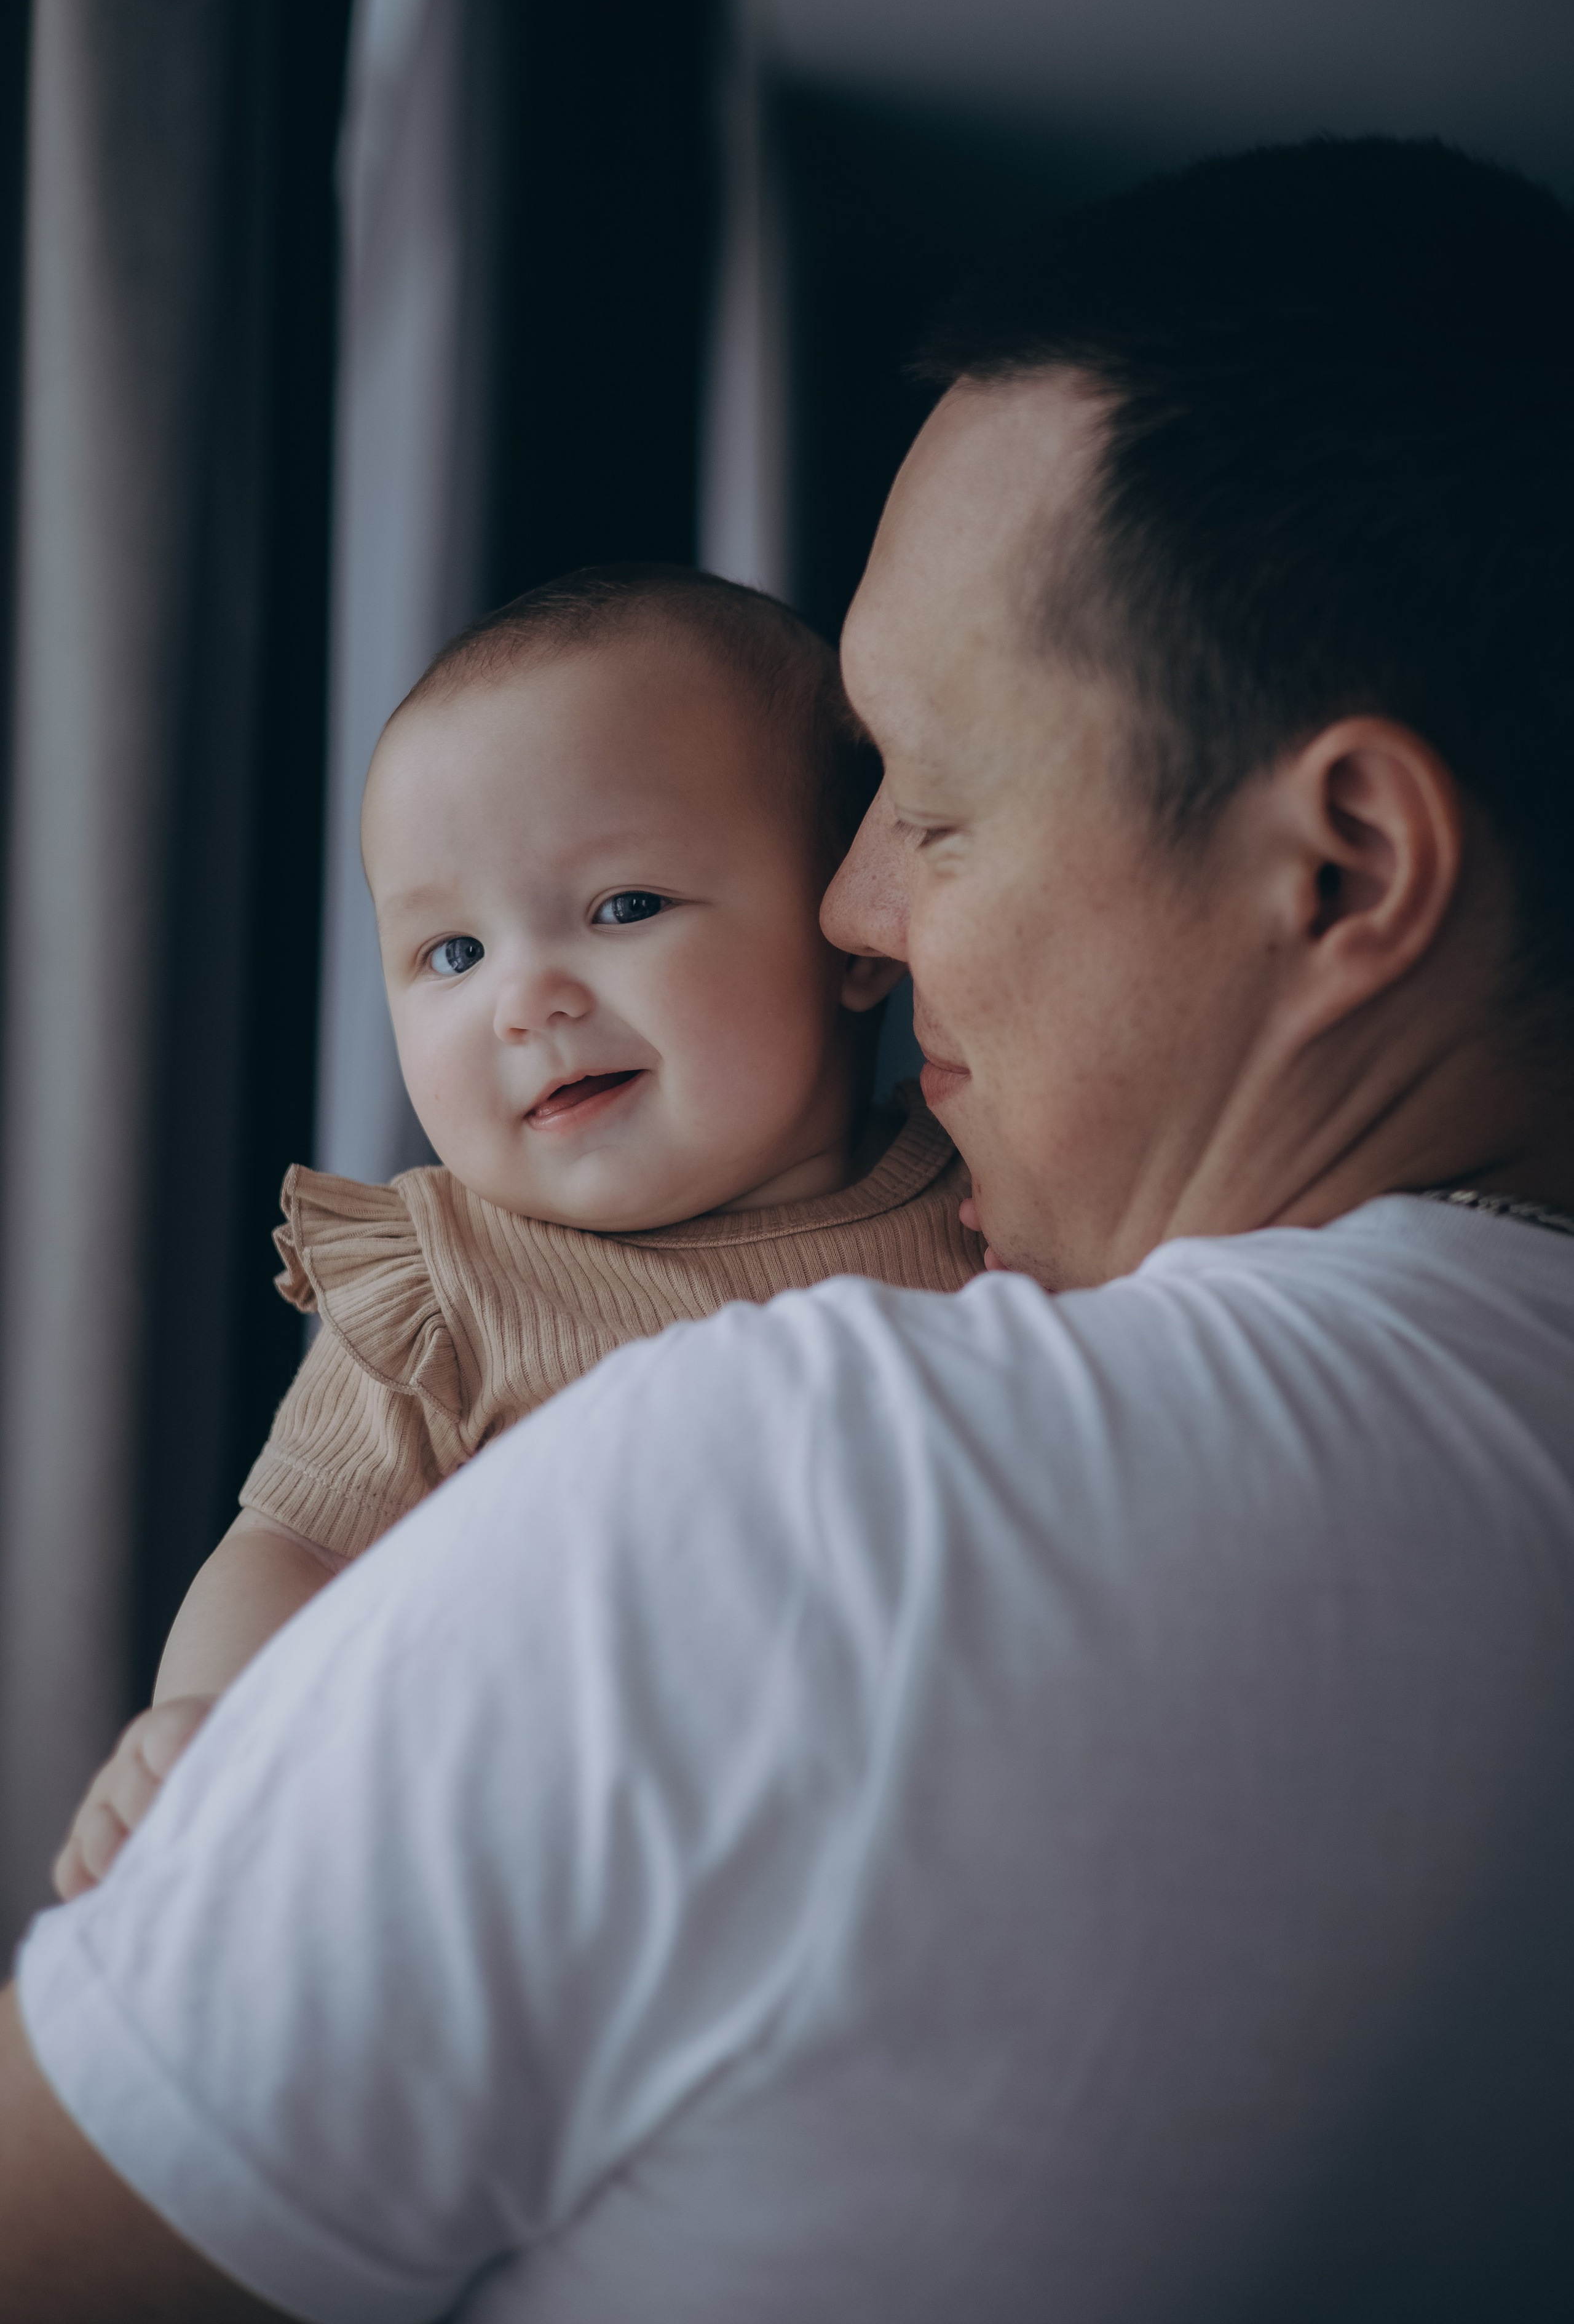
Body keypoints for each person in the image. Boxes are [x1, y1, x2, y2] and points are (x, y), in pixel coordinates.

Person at [5, 134, 1574, 2322]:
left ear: (1341, 872)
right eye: (437, 951)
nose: (857, 921)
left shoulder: (823, 1484)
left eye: (926, 814)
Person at [52, 563, 981, 1899]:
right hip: (550, 1876)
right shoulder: (449, 1287)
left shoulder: (978, 1188)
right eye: (450, 954)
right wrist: (209, 1731)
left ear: (846, 930)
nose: (525, 1000)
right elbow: (293, 1547)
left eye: (622, 908)